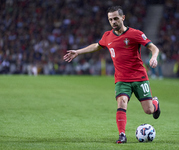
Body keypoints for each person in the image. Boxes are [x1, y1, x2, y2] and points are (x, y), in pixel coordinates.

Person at [63, 6, 161, 144]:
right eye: (110, 19)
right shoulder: (107, 36)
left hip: (139, 77)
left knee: (149, 110)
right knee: (121, 102)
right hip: (121, 79)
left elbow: (153, 47)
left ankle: (155, 103)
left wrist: (154, 57)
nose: (113, 22)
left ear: (123, 17)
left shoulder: (135, 34)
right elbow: (97, 46)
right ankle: (122, 135)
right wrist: (78, 52)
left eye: (115, 18)